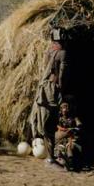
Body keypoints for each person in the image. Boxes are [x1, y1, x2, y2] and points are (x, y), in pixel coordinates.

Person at [28, 28, 68, 165]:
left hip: (44, 90)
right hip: (52, 90)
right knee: (50, 123)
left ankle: (51, 155)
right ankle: (51, 157)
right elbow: (61, 74)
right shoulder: (62, 53)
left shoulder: (49, 51)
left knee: (44, 121)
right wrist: (61, 89)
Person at [54, 96, 83, 171]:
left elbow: (78, 125)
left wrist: (75, 128)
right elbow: (56, 125)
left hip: (71, 136)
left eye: (66, 107)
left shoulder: (73, 117)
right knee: (59, 147)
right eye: (63, 108)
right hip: (62, 136)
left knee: (70, 147)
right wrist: (62, 129)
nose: (64, 109)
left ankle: (71, 162)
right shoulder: (59, 117)